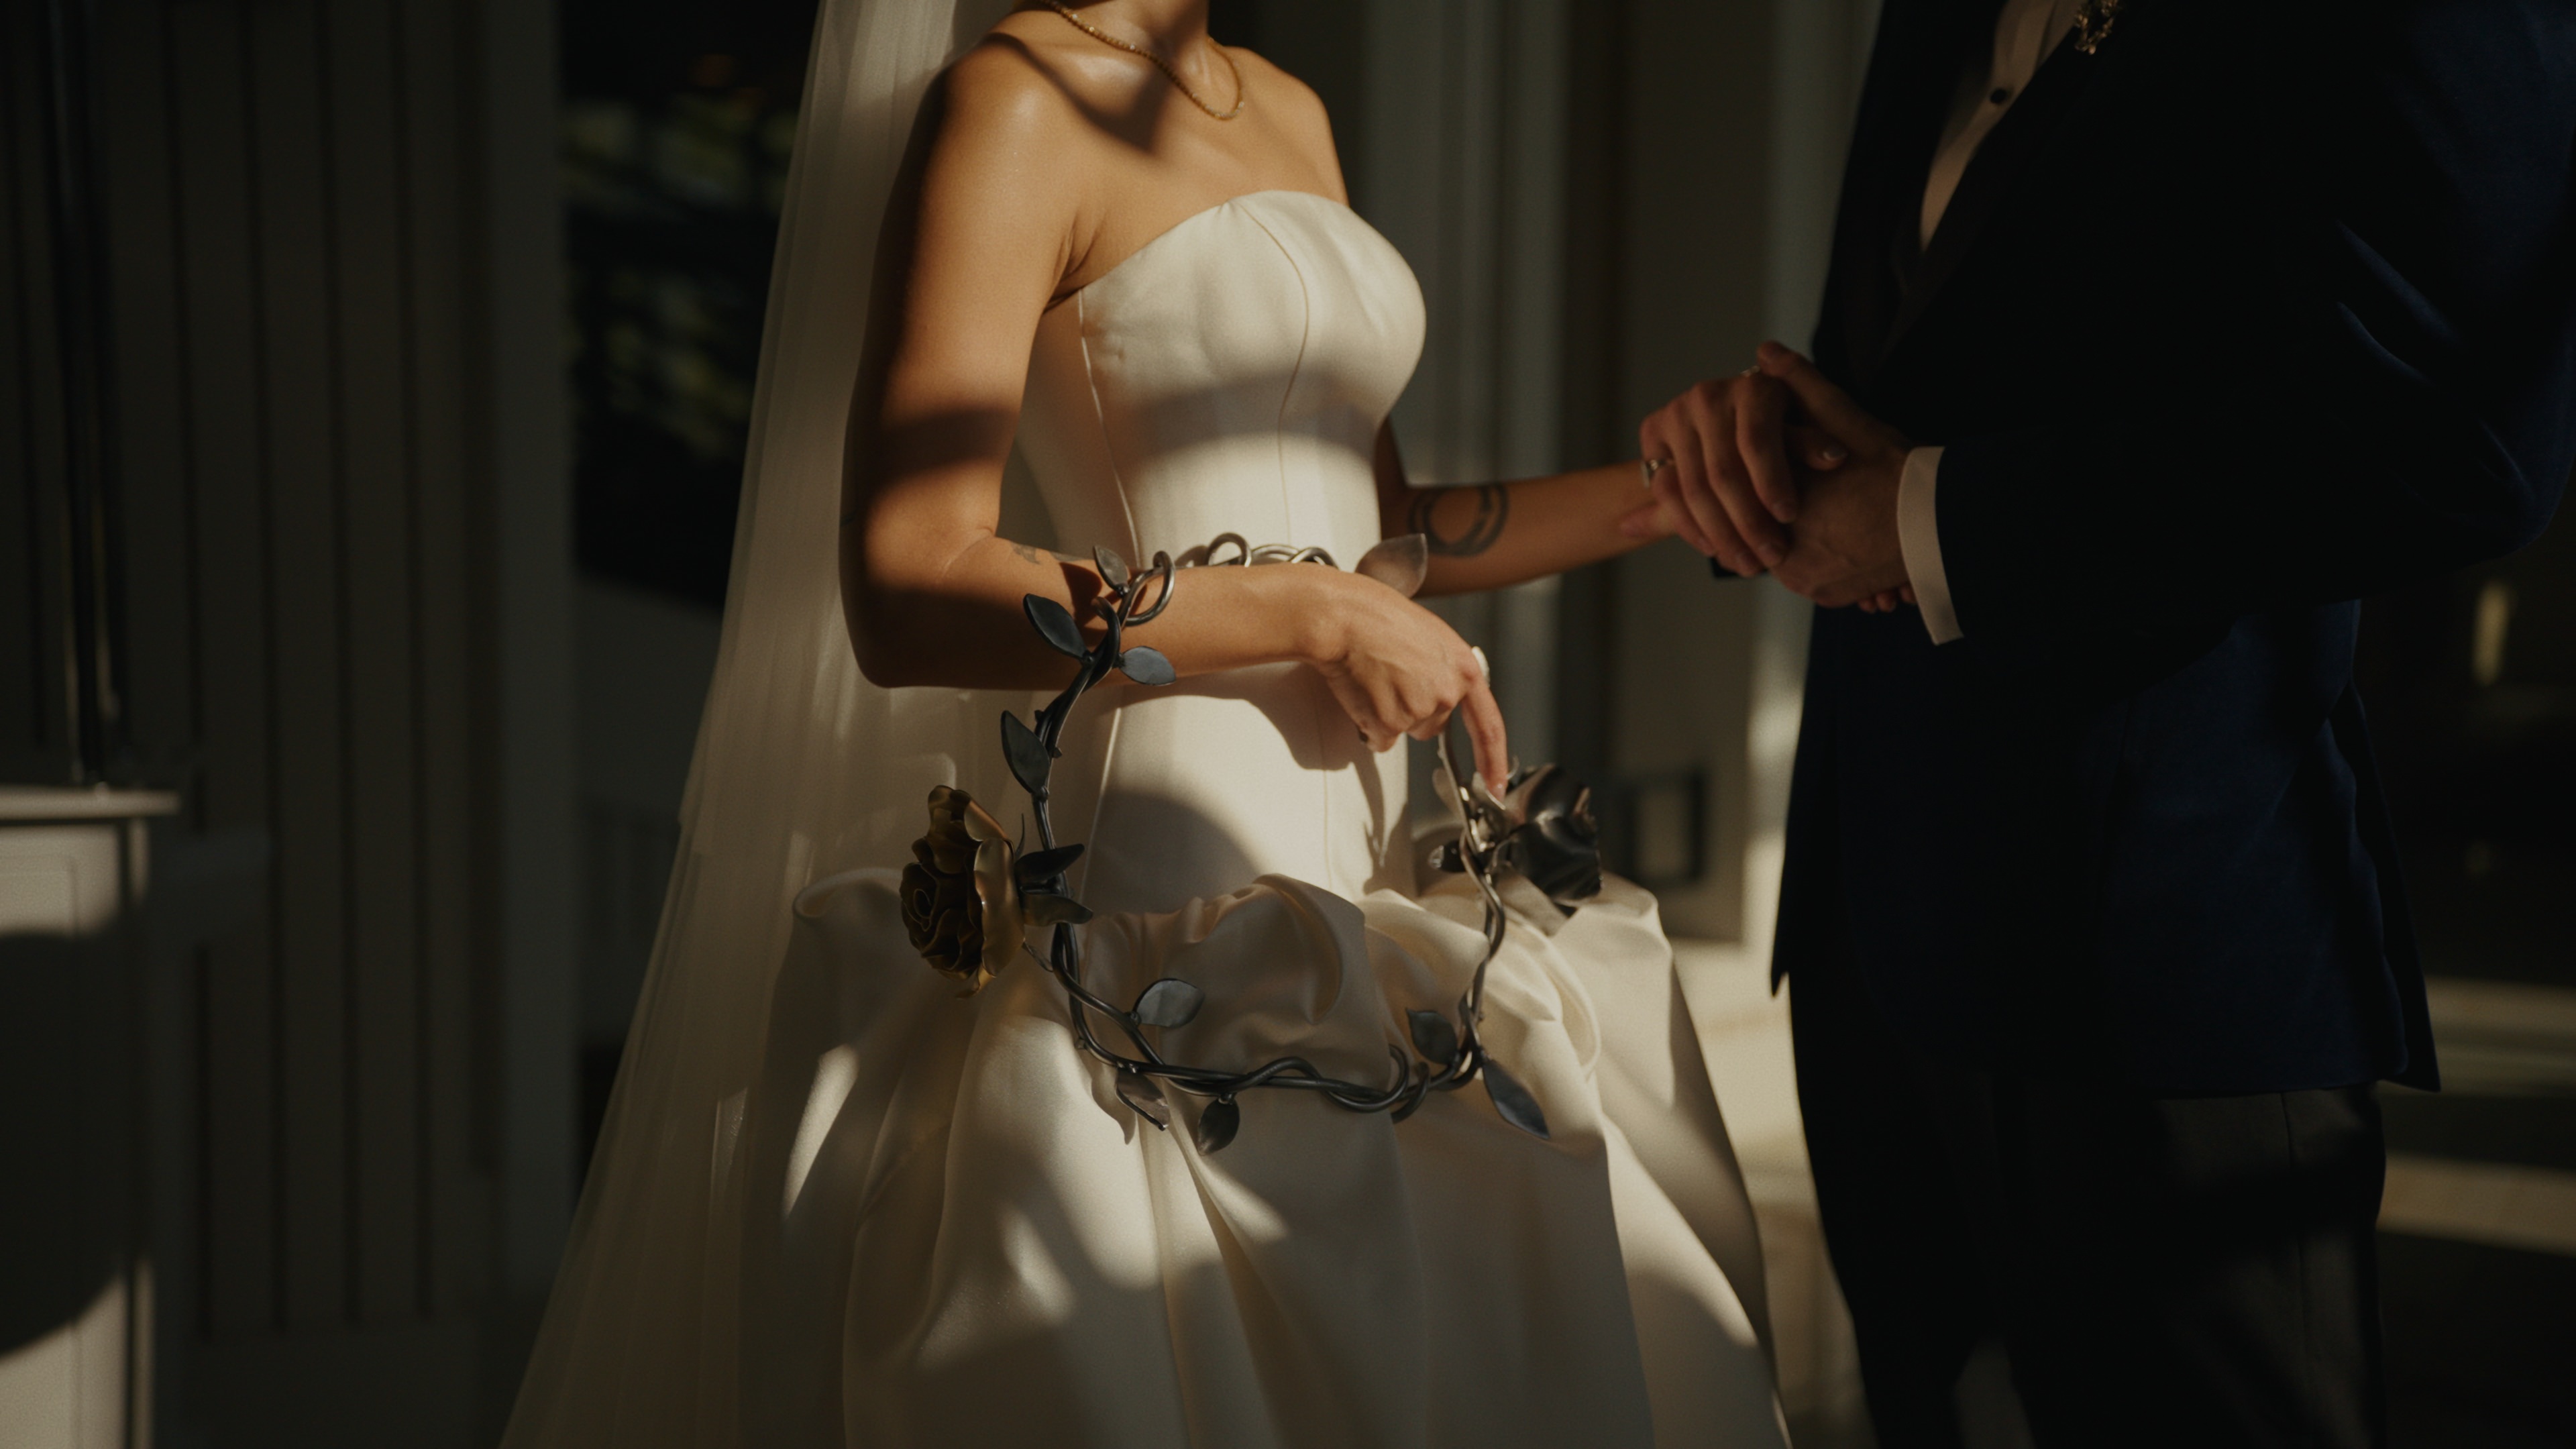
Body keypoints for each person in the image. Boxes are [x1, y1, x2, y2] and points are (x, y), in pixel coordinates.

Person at [501, 2, 1799, 1444]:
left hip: (1371, 889)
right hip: (1161, 894)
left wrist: (1677, 493)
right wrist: (1309, 614)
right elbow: (910, 580)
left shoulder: (1286, 105)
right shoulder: (1013, 101)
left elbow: (1384, 526)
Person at [1642, 0, 2576, 1444]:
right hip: (1873, 923)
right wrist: (1763, 450)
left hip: (2164, 955)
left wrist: (1931, 521)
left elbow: (2467, 442)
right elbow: (1917, 367)